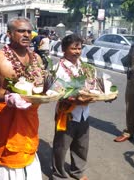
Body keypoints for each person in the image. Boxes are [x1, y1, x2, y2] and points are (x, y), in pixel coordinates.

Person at [0, 17, 43, 180]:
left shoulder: (36, 58)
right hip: (7, 119)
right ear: (9, 33)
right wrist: (8, 98)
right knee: (8, 162)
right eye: (21, 31)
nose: (27, 34)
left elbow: (41, 87)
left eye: (29, 31)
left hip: (29, 118)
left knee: (29, 154)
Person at [51, 34, 93, 180]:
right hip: (66, 113)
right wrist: (74, 99)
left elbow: (91, 83)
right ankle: (59, 175)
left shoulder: (84, 66)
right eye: (73, 48)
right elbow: (56, 91)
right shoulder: (58, 68)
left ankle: (78, 172)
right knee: (61, 146)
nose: (77, 51)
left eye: (79, 48)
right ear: (64, 49)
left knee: (82, 145)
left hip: (84, 113)